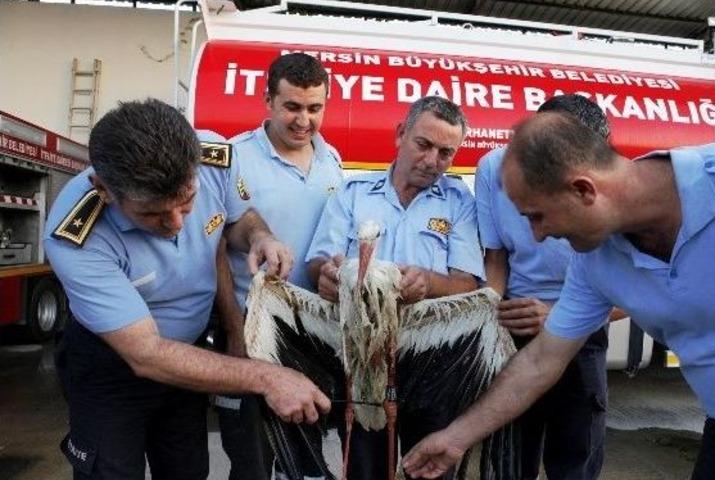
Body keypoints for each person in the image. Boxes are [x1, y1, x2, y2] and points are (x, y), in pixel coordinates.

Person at [403, 112, 715, 480]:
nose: (537, 237)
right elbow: (543, 360)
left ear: (584, 190)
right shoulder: (597, 261)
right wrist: (457, 437)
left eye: (538, 216)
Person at [45, 99, 330, 480]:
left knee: (187, 468)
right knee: (111, 471)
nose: (177, 224)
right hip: (111, 369)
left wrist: (259, 236)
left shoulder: (214, 158)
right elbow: (146, 354)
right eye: (152, 214)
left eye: (187, 202)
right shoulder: (76, 238)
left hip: (192, 360)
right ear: (105, 189)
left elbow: (237, 219)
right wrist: (266, 376)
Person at [306, 95, 484, 480]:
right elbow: (318, 262)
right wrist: (329, 276)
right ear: (400, 134)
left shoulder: (459, 203)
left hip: (433, 358)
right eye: (424, 144)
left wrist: (430, 282)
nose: (433, 160)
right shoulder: (353, 193)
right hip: (365, 359)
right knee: (365, 467)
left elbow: (468, 283)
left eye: (445, 152)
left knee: (432, 467)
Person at [214, 52, 343, 480]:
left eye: (314, 108)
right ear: (268, 101)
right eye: (292, 106)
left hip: (312, 337)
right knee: (251, 460)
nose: (303, 120)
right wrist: (235, 334)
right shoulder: (233, 157)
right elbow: (219, 242)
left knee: (305, 459)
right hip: (250, 332)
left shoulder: (333, 162)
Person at [475, 94, 611, 480]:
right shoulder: (492, 169)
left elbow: (635, 292)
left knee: (575, 458)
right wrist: (490, 323)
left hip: (584, 330)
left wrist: (558, 315)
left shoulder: (607, 183)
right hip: (515, 324)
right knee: (510, 456)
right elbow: (496, 259)